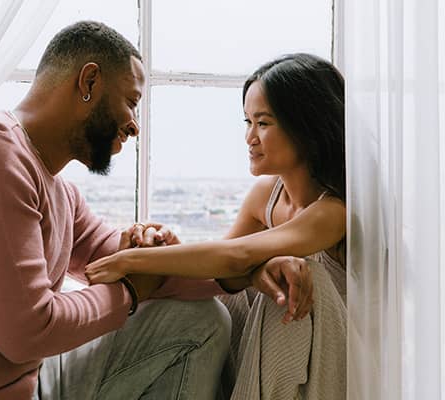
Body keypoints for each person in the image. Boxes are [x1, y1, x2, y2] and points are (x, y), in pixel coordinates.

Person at [0, 21, 234, 400]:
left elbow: (124, 259)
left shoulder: (61, 191)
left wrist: (242, 272)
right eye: (131, 101)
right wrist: (127, 291)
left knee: (201, 319)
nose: (134, 126)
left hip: (36, 377)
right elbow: (26, 332)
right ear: (89, 82)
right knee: (199, 323)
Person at [86, 53, 347, 399]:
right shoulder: (266, 197)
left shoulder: (333, 211)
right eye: (247, 122)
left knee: (290, 281)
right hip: (274, 370)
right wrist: (165, 247)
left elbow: (236, 255)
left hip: (332, 372)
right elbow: (222, 277)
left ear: (306, 128)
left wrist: (129, 262)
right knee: (227, 292)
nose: (250, 138)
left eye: (264, 123)